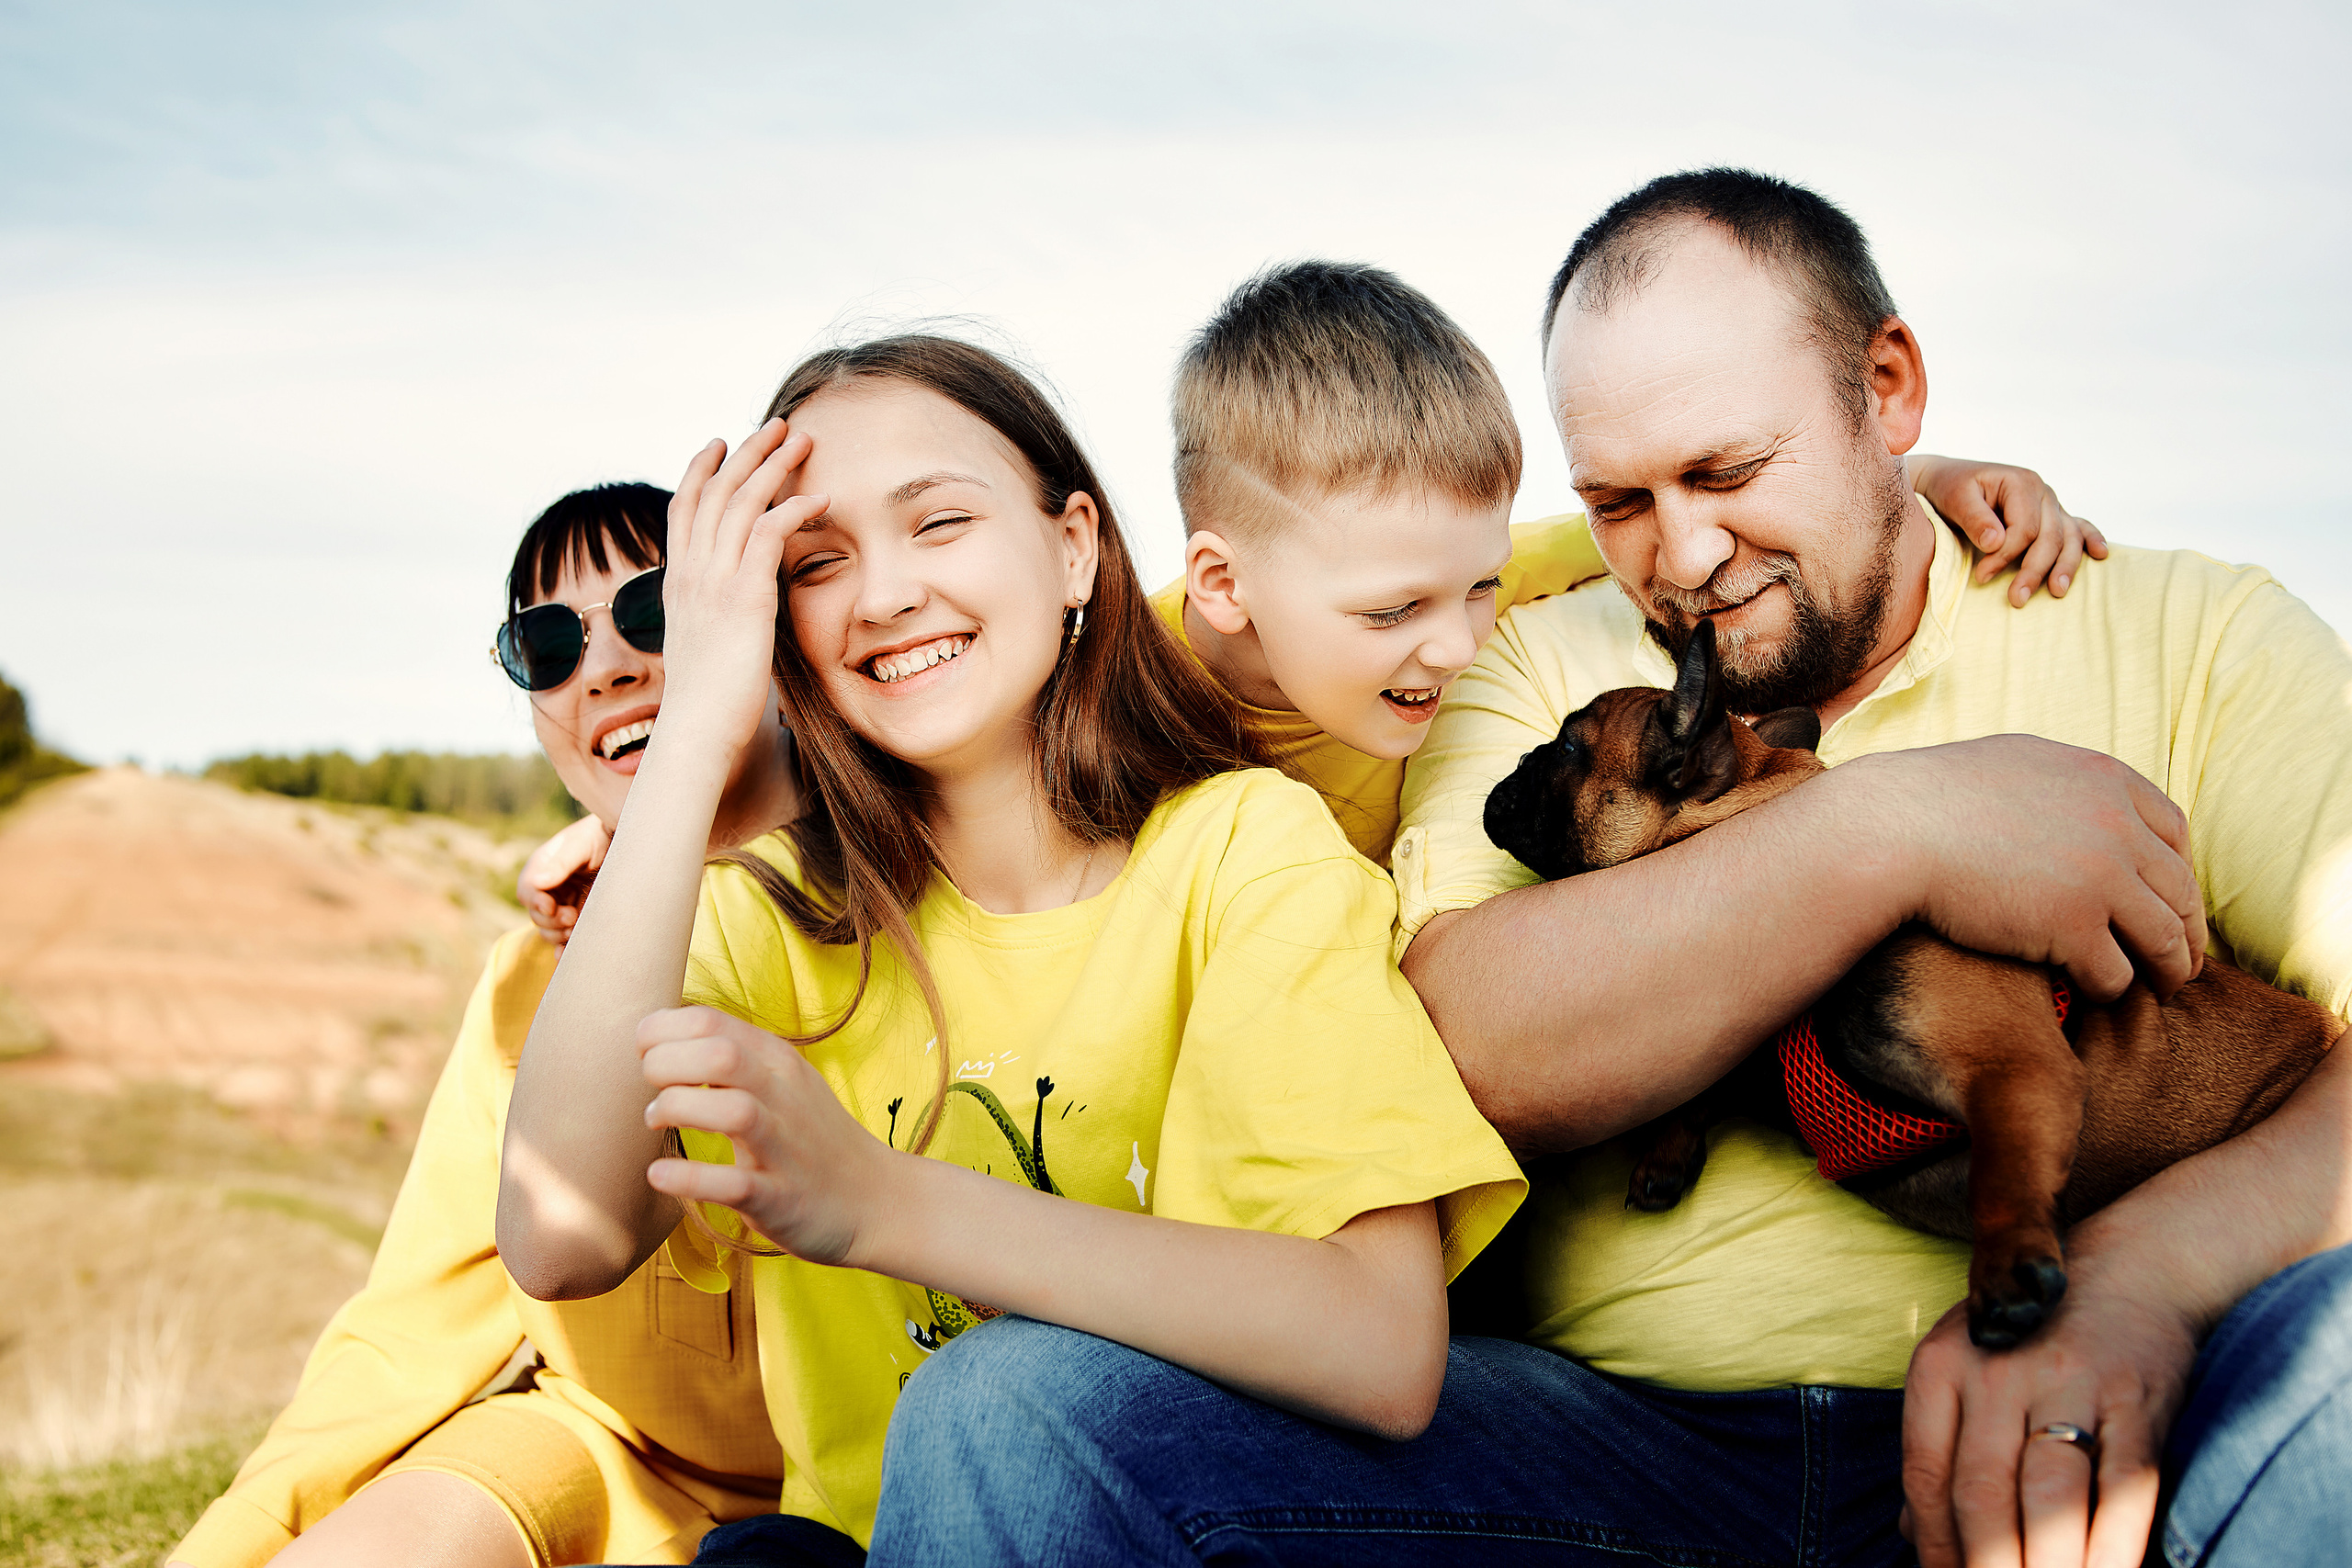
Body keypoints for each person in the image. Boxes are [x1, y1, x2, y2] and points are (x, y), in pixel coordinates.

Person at [865, 174, 2352, 1567]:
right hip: (1604, 1457)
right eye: (1624, 502)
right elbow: (1468, 1039)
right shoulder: (1517, 655)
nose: (1684, 554)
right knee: (1015, 1415)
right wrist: (1897, 825)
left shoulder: (2193, 633)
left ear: (1889, 389)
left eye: (1730, 469)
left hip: (2121, 1395)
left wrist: (2140, 1281)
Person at [492, 335, 1527, 1563]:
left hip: (1171, 1522)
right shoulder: (766, 915)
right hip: (870, 1540)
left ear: (1074, 544)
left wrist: (883, 1203)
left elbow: (1382, 1346)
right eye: (817, 563)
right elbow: (561, 1235)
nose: (883, 595)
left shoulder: (1240, 849)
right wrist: (701, 718)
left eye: (938, 522)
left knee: (1001, 1404)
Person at [170, 484, 801, 1568]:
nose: (602, 667)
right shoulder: (525, 987)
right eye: (547, 643)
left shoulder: (912, 889)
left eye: (655, 612)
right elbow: (409, 1328)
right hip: (603, 1452)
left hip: (869, 1470)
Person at [1154, 259, 2103, 865]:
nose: (1456, 646)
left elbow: (1679, 516)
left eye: (1483, 585)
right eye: (1392, 612)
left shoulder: (1480, 575)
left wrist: (1924, 471)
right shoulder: (1107, 701)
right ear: (1225, 587)